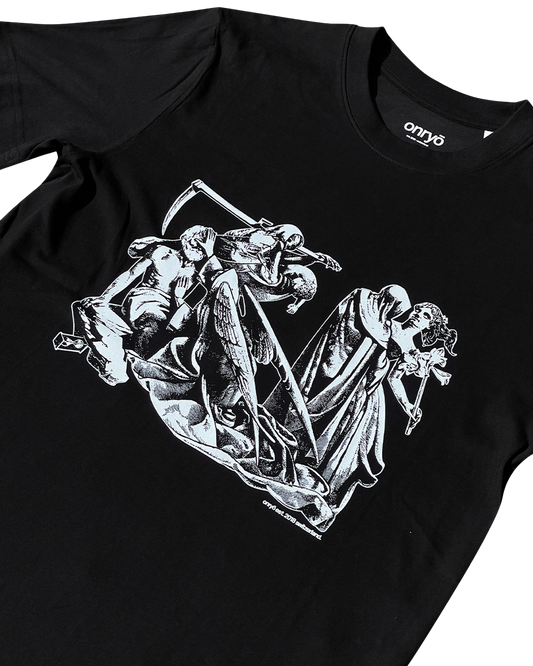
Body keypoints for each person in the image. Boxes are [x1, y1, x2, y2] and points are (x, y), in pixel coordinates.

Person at [266, 284, 457, 530]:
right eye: (419, 309)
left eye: (426, 316)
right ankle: (284, 459)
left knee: (342, 442)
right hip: (347, 379)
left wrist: (408, 405)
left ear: (429, 326)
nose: (418, 314)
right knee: (314, 416)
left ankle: (315, 482)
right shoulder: (388, 323)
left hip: (365, 395)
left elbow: (394, 378)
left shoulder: (411, 350)